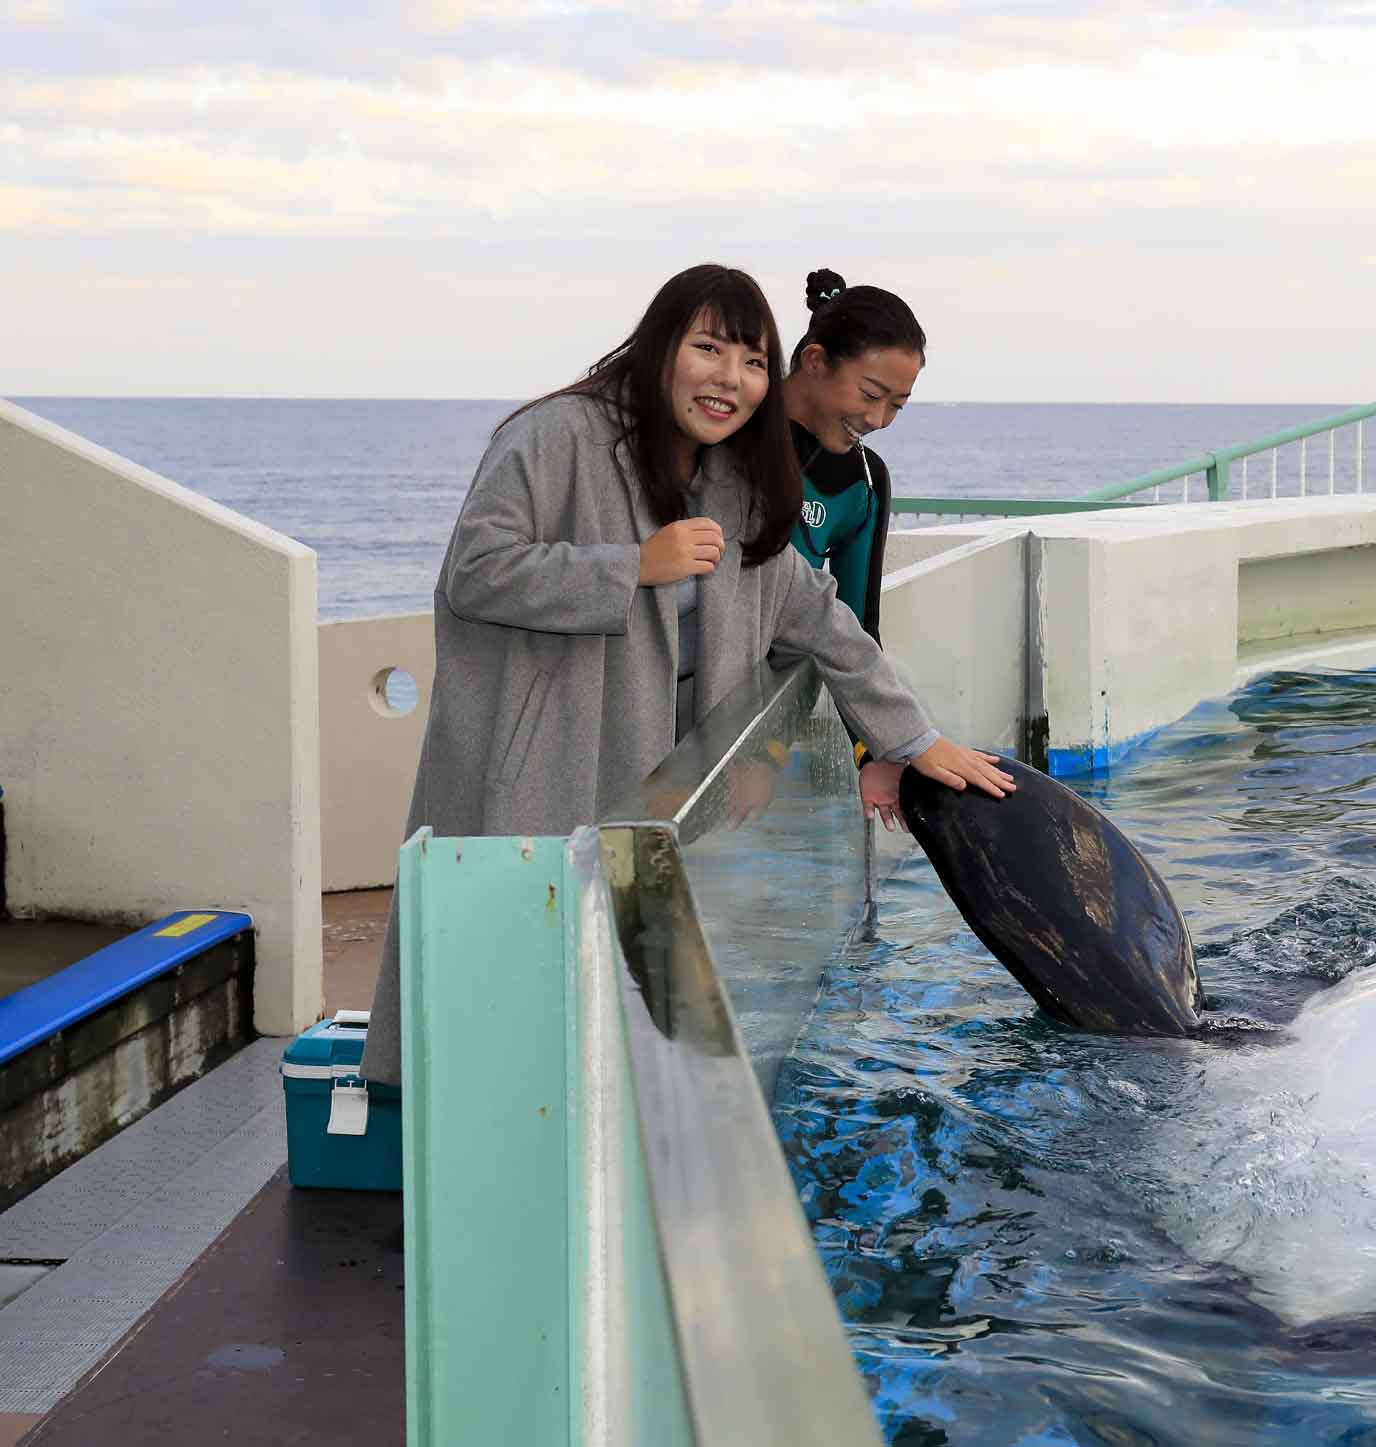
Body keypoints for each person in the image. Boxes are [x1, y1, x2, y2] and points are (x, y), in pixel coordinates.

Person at [359, 264, 1012, 1086]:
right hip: (531, 786)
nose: (729, 379)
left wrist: (912, 738)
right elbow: (475, 571)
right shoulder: (557, 436)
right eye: (708, 348)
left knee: (609, 1035)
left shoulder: (735, 476)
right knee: (501, 1024)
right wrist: (629, 566)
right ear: (661, 343)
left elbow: (816, 614)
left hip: (657, 796)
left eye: (748, 361)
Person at [781, 268, 924, 832]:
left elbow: (858, 625)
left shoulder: (865, 479)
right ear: (815, 362)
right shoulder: (734, 439)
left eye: (897, 406)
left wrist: (875, 752)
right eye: (869, 395)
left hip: (763, 705)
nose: (877, 420)